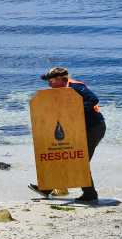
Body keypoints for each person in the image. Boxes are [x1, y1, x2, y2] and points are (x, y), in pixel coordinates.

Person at [29, 67, 106, 202]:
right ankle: (47, 189)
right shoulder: (59, 91)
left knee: (80, 161)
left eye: (50, 81)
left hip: (94, 128)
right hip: (78, 129)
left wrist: (76, 110)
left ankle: (90, 194)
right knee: (65, 158)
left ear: (59, 79)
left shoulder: (76, 87)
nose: (49, 84)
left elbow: (93, 99)